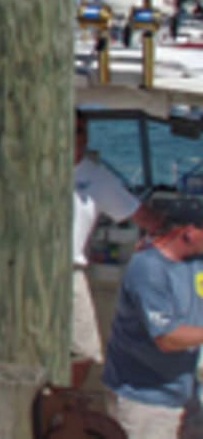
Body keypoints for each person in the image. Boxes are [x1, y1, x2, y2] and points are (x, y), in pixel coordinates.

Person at [72, 110, 162, 386]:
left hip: (68, 270)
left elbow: (143, 217)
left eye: (82, 130)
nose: (79, 137)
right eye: (73, 129)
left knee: (84, 350)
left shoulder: (96, 177)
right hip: (17, 267)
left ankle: (59, 408)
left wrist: (173, 231)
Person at [102, 196, 203, 437]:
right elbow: (167, 338)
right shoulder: (149, 270)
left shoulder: (194, 262)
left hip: (185, 392)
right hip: (144, 399)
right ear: (188, 233)